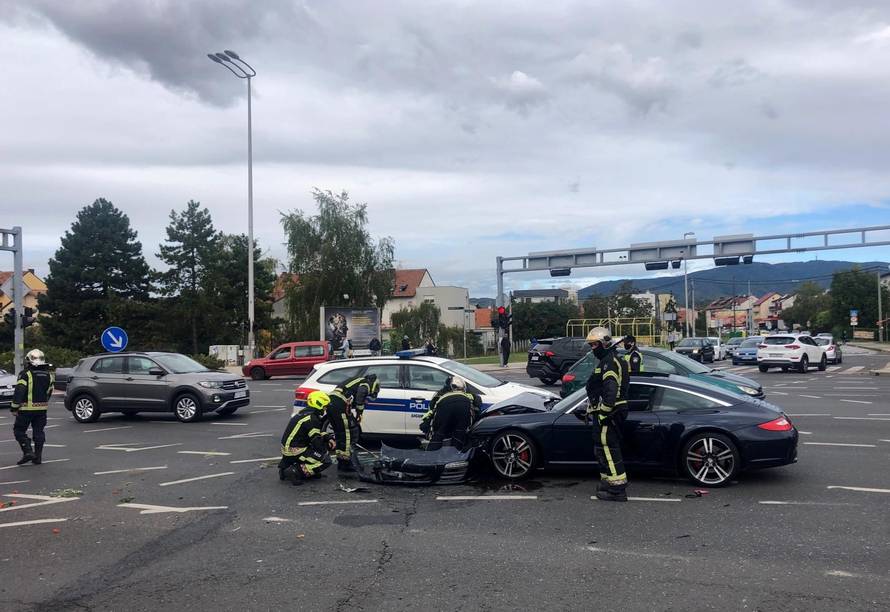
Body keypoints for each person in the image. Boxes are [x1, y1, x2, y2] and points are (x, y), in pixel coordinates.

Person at [584, 327, 630, 502]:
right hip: (609, 412)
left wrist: (604, 412)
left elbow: (610, 391)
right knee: (602, 449)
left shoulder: (609, 362)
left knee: (609, 449)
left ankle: (617, 489)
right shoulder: (608, 360)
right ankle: (607, 481)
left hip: (611, 412)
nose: (592, 348)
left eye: (594, 344)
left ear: (604, 343)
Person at [279, 390, 335, 485]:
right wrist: (326, 448)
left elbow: (316, 432)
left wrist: (328, 437)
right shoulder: (312, 419)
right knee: (325, 459)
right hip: (295, 449)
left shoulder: (305, 414)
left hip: (288, 448)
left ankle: (285, 468)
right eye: (325, 407)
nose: (325, 409)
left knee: (315, 451)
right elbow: (316, 441)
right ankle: (296, 471)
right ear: (319, 404)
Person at [327, 374, 380, 471]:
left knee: (340, 433)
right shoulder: (366, 384)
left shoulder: (357, 381)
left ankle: (342, 461)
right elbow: (360, 396)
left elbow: (352, 397)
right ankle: (347, 462)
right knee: (348, 433)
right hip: (339, 404)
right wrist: (360, 413)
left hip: (332, 403)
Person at [11, 349, 54, 466]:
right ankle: (38, 457)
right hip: (41, 410)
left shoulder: (26, 374)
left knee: (19, 431)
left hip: (25, 410)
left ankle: (28, 451)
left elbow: (19, 391)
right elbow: (49, 392)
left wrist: (14, 408)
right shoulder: (49, 375)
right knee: (39, 432)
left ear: (29, 361)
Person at [426, 376, 479, 451]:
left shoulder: (441, 393)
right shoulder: (469, 394)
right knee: (460, 432)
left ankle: (432, 453)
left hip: (445, 410)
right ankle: (459, 453)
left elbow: (432, 409)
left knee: (440, 432)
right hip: (463, 408)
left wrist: (427, 425)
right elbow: (477, 404)